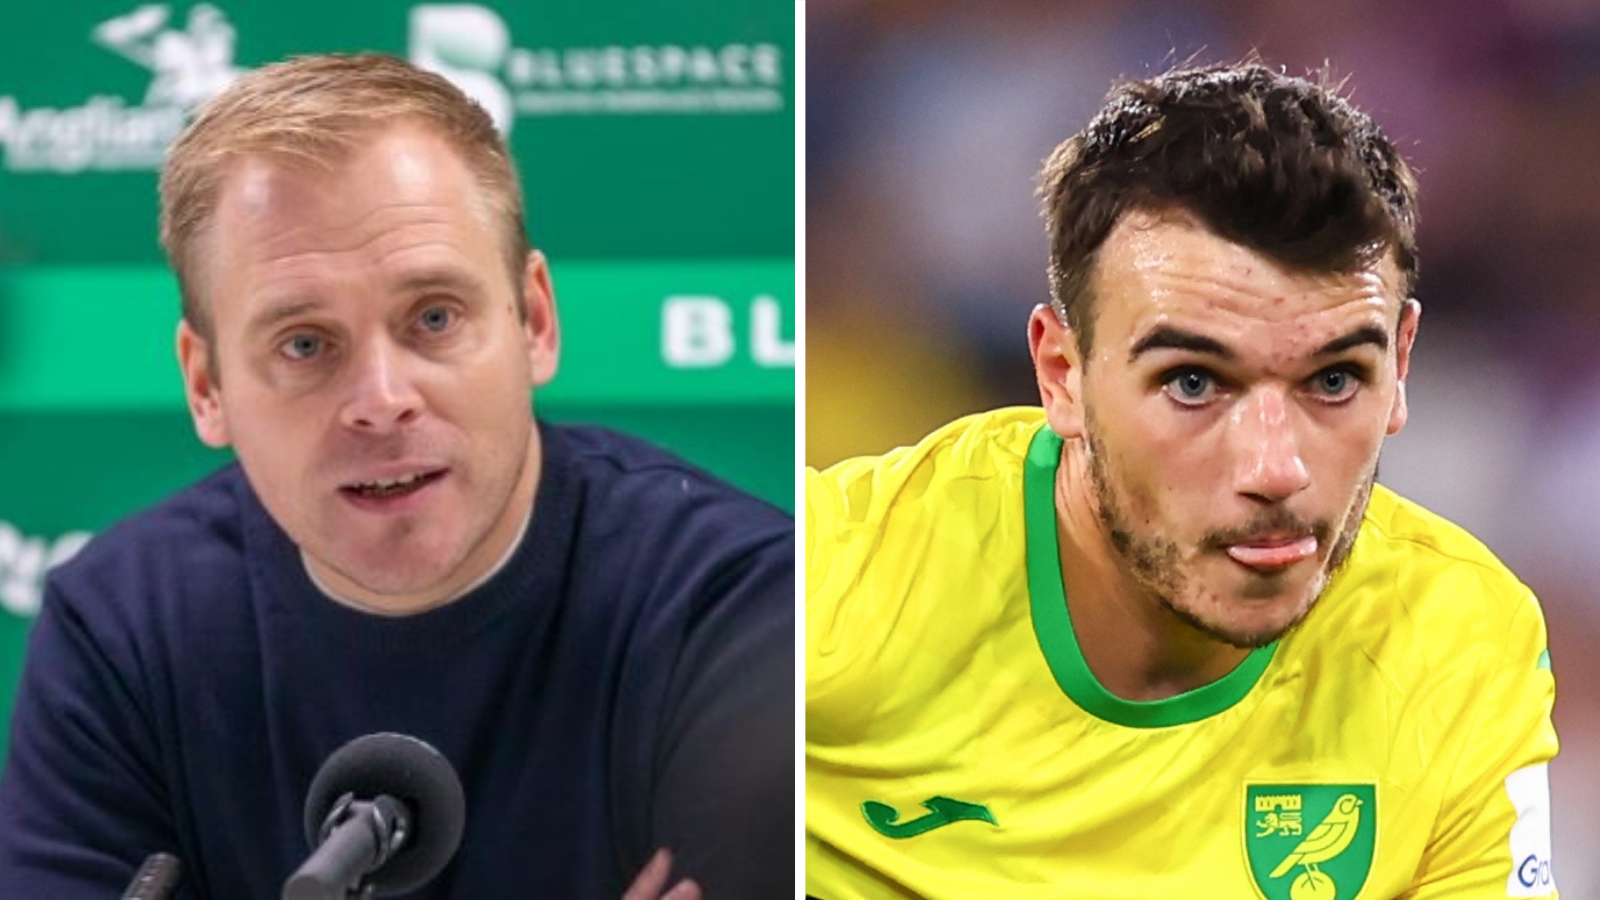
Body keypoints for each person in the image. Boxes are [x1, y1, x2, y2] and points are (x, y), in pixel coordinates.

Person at [0, 53, 793, 899]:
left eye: (435, 318)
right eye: (305, 343)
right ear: (207, 386)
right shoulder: (122, 630)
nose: (381, 401)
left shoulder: (738, 602)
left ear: (534, 321)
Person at [805, 61, 1559, 899]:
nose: (1276, 470)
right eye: (1193, 382)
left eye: (1336, 378)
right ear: (1063, 373)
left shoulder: (1455, 639)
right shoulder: (825, 584)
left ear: (1402, 362)